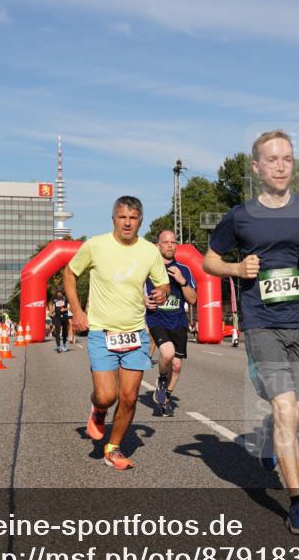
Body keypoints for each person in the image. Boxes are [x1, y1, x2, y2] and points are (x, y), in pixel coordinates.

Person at [204, 130, 299, 534]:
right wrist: (234, 268)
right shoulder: (240, 216)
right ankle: (298, 501)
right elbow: (210, 259)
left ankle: (268, 431)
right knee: (284, 409)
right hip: (263, 322)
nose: (281, 166)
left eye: (288, 159)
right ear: (257, 167)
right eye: (273, 159)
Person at [66, 196, 169, 470]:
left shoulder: (149, 251)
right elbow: (69, 273)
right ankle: (98, 411)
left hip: (135, 333)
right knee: (106, 395)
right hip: (102, 331)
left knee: (129, 396)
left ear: (140, 221)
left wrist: (162, 292)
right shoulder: (95, 245)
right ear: (113, 218)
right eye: (122, 217)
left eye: (133, 218)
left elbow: (163, 283)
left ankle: (113, 448)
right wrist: (77, 311)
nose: (127, 222)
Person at [145, 230, 198, 416]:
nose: (169, 245)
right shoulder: (149, 268)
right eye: (165, 242)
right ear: (158, 245)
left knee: (177, 366)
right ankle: (161, 380)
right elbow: (134, 291)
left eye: (173, 242)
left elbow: (192, 300)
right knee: (166, 354)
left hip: (178, 321)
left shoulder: (184, 269)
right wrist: (144, 300)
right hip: (157, 318)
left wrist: (183, 282)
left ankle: (165, 396)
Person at [50, 289, 70, 353]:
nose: (59, 293)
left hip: (64, 316)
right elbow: (53, 307)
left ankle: (64, 345)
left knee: (64, 331)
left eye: (60, 292)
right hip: (57, 316)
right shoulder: (54, 299)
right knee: (57, 332)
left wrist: (64, 309)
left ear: (62, 292)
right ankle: (58, 346)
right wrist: (51, 312)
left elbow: (71, 307)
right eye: (58, 292)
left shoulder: (66, 298)